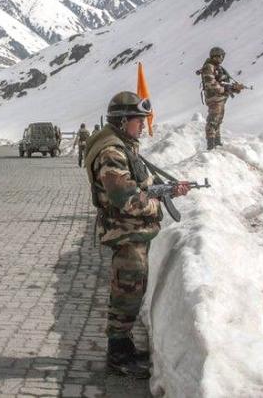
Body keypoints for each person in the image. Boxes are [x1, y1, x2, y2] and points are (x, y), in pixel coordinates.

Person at [83, 91, 189, 379]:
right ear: (121, 120)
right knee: (125, 294)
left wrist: (166, 189)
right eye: (137, 120)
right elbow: (126, 198)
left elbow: (140, 184)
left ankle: (124, 347)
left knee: (131, 291)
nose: (142, 125)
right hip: (126, 234)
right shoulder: (113, 152)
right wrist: (156, 203)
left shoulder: (123, 146)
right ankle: (118, 356)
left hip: (132, 234)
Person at [199, 46, 243, 150]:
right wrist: (226, 89)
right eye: (221, 56)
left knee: (218, 121)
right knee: (213, 121)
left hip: (219, 98)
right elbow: (211, 83)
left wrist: (234, 88)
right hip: (214, 98)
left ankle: (217, 144)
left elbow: (223, 83)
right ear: (216, 56)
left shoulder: (217, 68)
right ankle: (211, 146)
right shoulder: (209, 67)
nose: (222, 59)